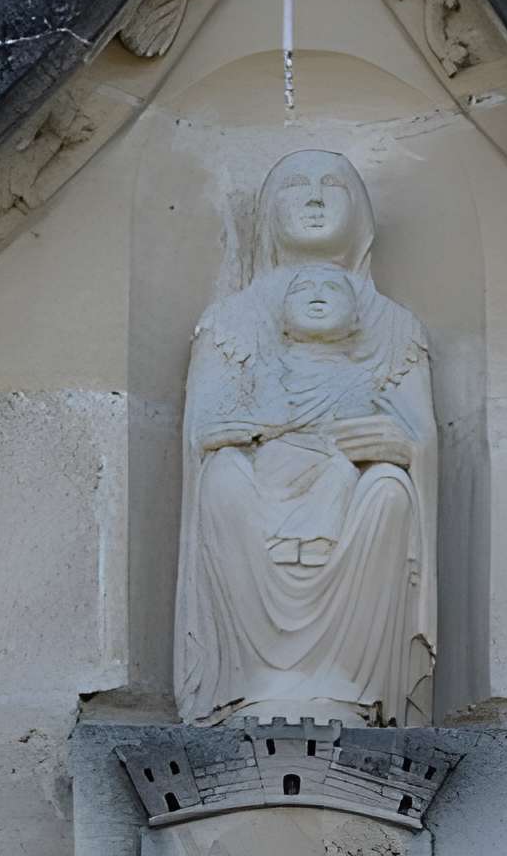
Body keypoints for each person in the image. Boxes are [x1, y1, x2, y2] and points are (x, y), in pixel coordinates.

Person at [175, 151, 437, 725]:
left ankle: (358, 685)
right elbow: (203, 432)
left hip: (345, 490)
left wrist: (400, 447)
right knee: (221, 479)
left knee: (390, 490)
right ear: (270, 213)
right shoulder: (229, 320)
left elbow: (420, 441)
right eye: (296, 186)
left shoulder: (397, 327)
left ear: (361, 215)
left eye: (333, 187)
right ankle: (244, 683)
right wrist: (235, 433)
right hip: (265, 491)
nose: (315, 199)